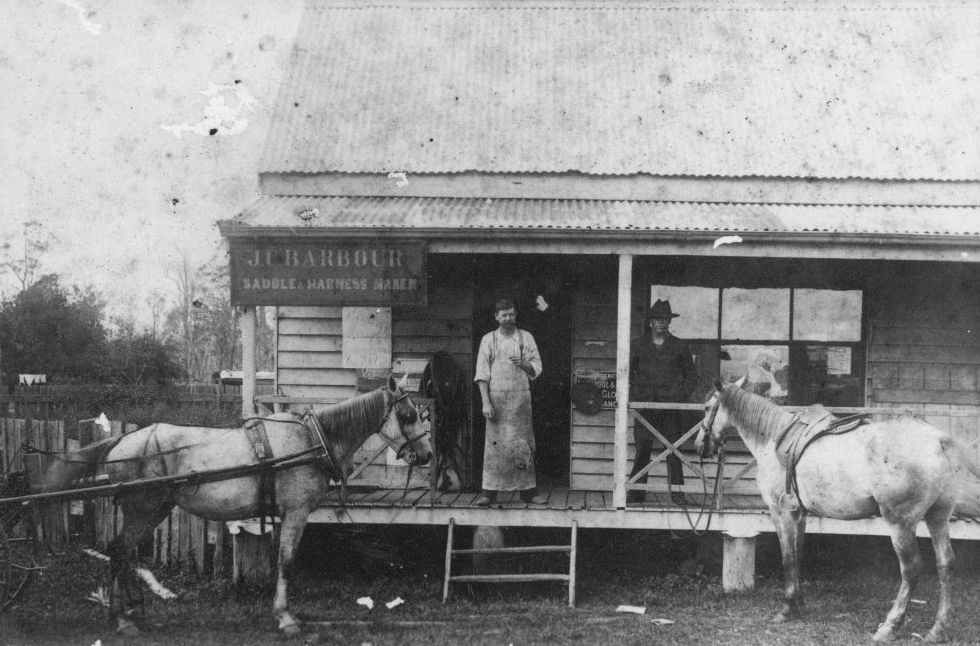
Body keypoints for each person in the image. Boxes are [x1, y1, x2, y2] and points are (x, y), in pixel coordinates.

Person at [474, 298, 546, 506]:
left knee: (523, 445)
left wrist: (525, 364)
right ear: (496, 317)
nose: (508, 318)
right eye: (504, 315)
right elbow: (482, 374)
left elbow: (537, 367)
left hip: (520, 401)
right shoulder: (489, 340)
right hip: (496, 400)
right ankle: (488, 493)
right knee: (494, 446)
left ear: (516, 315)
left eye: (511, 314)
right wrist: (485, 402)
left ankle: (529, 492)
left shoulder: (526, 338)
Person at [628, 299, 698, 505]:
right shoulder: (637, 344)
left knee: (673, 449)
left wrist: (680, 394)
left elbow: (691, 376)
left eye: (664, 319)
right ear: (650, 321)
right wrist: (636, 393)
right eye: (657, 319)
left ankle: (677, 495)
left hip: (670, 406)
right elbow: (627, 373)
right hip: (644, 407)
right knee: (642, 449)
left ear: (669, 322)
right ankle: (636, 494)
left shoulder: (679, 345)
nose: (660, 322)